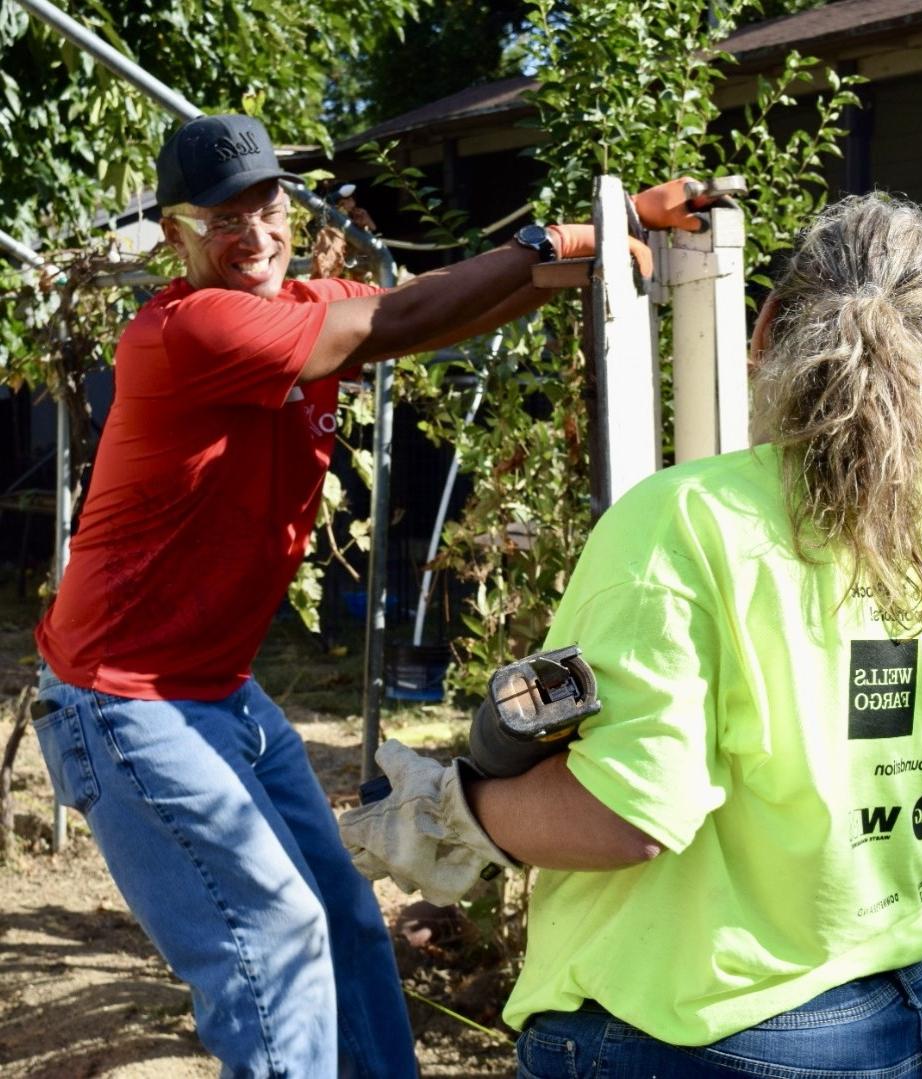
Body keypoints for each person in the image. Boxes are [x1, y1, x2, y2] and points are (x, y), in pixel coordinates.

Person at [29, 113, 686, 1078]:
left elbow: (437, 306)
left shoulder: (299, 302)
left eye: (266, 205)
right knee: (274, 937)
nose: (254, 234)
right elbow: (400, 320)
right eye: (222, 220)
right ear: (174, 236)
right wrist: (547, 244)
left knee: (340, 917)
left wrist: (608, 231)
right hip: (124, 702)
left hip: (212, 689)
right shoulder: (188, 330)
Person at [343, 192, 922, 1078]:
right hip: (915, 1011)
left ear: (764, 327)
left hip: (701, 1027)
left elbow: (626, 814)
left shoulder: (685, 519)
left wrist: (454, 810)